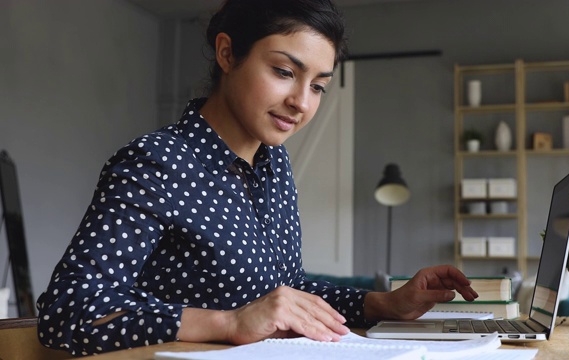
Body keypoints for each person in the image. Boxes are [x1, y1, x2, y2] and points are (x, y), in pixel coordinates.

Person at [36, 0, 478, 355]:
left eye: (319, 86)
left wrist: (384, 303)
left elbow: (286, 290)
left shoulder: (274, 165)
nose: (302, 102)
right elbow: (68, 313)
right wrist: (227, 323)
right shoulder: (156, 162)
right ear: (228, 53)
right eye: (285, 72)